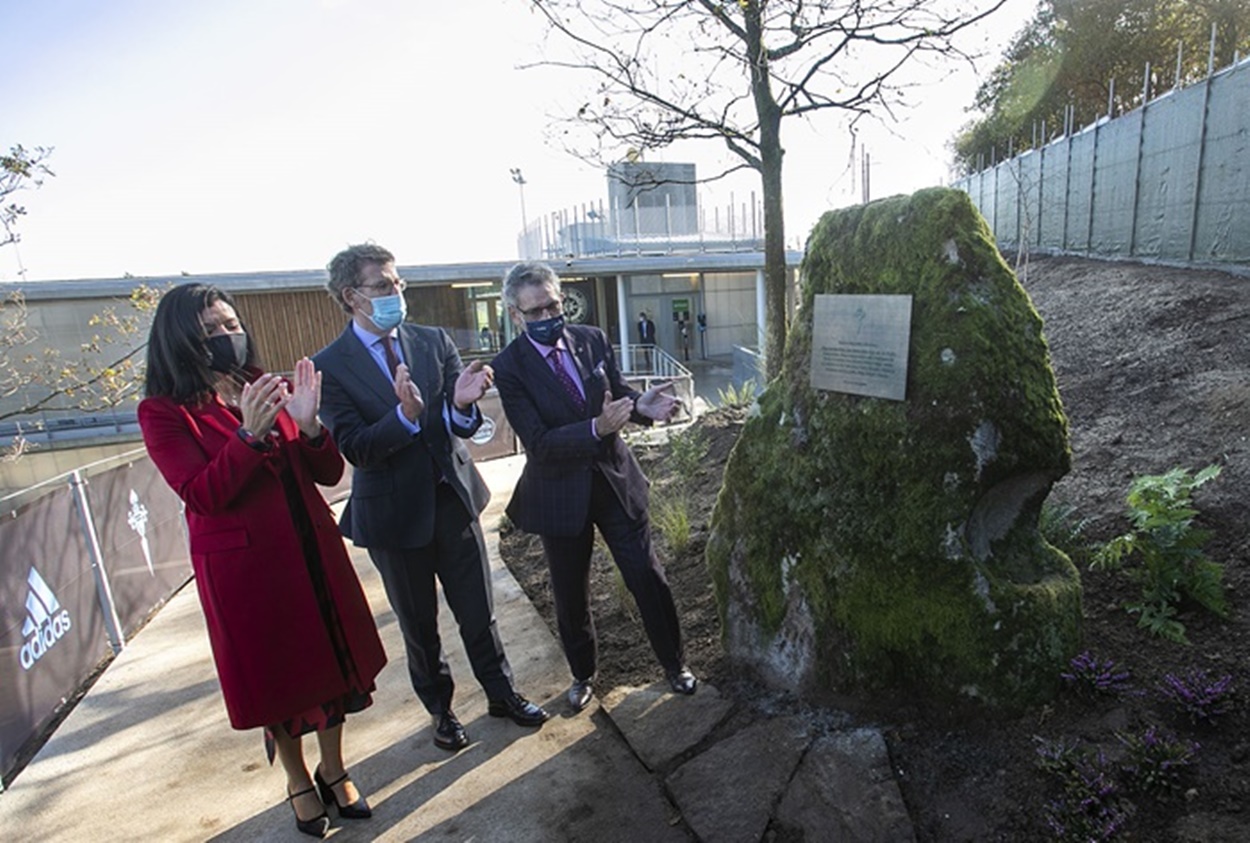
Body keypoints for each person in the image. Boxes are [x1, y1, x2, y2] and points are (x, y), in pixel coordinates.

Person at [138, 283, 386, 839]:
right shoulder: (164, 411)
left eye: (231, 324)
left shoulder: (260, 382)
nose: (229, 335)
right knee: (280, 676)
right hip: (248, 570)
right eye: (211, 330)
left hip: (311, 548)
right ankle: (299, 779)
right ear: (181, 340)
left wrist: (314, 426)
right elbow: (201, 494)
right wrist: (249, 434)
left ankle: (335, 767)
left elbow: (326, 474)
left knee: (335, 663)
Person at [312, 243, 548, 755]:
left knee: (479, 612)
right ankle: (441, 712)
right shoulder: (329, 367)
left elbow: (455, 421)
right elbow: (355, 447)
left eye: (398, 283)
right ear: (352, 296)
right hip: (394, 518)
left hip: (451, 499)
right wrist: (403, 417)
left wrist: (461, 405)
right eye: (382, 286)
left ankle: (501, 694)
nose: (396, 293)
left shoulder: (431, 340)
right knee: (420, 626)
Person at [492, 261, 696, 714]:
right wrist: (595, 427)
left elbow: (617, 396)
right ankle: (583, 675)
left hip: (614, 482)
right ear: (515, 314)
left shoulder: (591, 339)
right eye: (536, 311)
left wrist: (643, 407)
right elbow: (539, 443)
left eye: (553, 305)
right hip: (559, 495)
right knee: (570, 593)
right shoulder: (509, 368)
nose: (548, 317)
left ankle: (675, 664)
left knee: (647, 577)